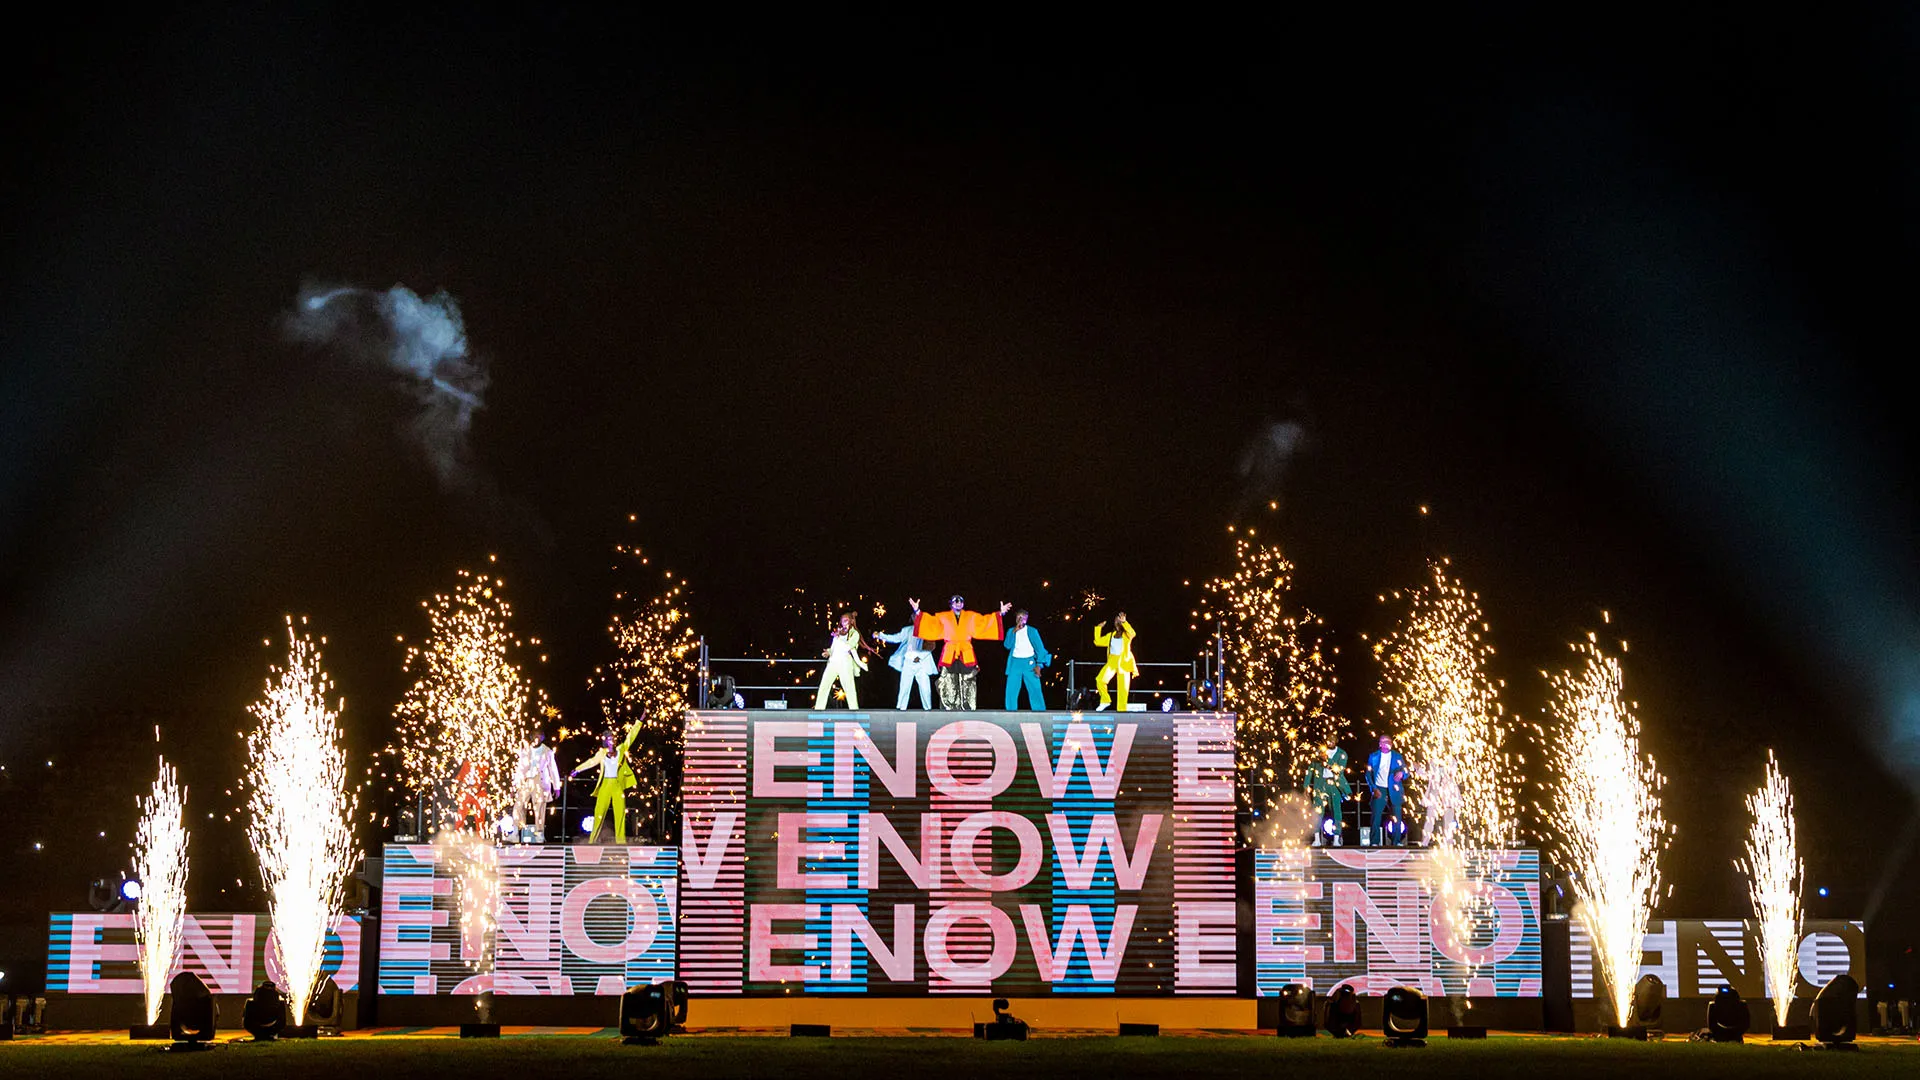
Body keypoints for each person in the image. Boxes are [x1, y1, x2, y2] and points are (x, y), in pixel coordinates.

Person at [913, 595, 1010, 710]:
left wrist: (1000, 613)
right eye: (956, 601)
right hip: (950, 652)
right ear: (951, 604)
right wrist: (917, 611)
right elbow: (931, 624)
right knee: (948, 680)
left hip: (966, 651)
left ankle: (968, 707)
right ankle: (948, 707)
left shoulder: (971, 616)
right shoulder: (943, 617)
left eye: (961, 601)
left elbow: (984, 623)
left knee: (968, 679)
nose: (959, 603)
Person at [569, 715, 644, 844]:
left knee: (620, 813)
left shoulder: (621, 749)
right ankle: (592, 840)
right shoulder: (602, 753)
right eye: (609, 738)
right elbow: (591, 762)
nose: (612, 740)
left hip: (617, 784)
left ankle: (621, 841)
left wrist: (640, 720)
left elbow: (631, 736)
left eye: (613, 738)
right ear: (606, 741)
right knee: (599, 812)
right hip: (606, 784)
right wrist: (577, 769)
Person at [511, 730, 562, 842]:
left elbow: (553, 769)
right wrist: (514, 785)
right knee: (518, 806)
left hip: (540, 781)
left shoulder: (547, 751)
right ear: (531, 736)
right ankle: (515, 832)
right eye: (535, 735)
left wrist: (556, 786)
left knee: (539, 808)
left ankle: (539, 834)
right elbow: (519, 768)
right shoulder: (525, 750)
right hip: (525, 781)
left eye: (540, 736)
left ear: (543, 738)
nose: (537, 737)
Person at [874, 618, 937, 709]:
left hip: (922, 664)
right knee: (904, 687)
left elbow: (931, 646)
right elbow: (895, 638)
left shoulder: (927, 630)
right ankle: (901, 708)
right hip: (908, 661)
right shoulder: (908, 630)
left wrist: (920, 657)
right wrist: (880, 635)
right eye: (914, 616)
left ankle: (928, 709)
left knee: (925, 688)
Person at [813, 611, 870, 709]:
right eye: (842, 621)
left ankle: (854, 709)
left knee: (849, 688)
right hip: (833, 663)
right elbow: (834, 647)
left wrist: (839, 637)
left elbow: (848, 647)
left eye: (846, 620)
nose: (844, 623)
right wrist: (828, 652)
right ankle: (819, 708)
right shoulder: (838, 632)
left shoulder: (854, 634)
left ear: (851, 621)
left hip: (845, 664)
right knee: (824, 685)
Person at [1002, 609, 1052, 710]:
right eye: (1018, 617)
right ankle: (1010, 711)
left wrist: (1039, 665)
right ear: (1016, 618)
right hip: (1015, 662)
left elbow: (1040, 649)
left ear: (1027, 619)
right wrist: (1014, 631)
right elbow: (1007, 645)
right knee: (1011, 688)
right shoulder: (1011, 631)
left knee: (1035, 688)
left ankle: (1039, 711)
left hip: (1029, 663)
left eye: (1023, 618)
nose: (1020, 620)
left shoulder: (1032, 631)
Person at [1303, 741, 1351, 846]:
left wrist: (1327, 759)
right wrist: (1306, 785)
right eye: (1329, 740)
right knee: (1317, 811)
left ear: (1336, 741)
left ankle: (1336, 839)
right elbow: (1310, 769)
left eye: (1333, 740)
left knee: (1336, 811)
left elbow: (1339, 771)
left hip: (1334, 785)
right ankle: (1316, 839)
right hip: (1320, 784)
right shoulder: (1319, 752)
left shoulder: (1342, 754)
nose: (1330, 742)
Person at [1364, 734, 1408, 847]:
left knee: (1397, 816)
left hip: (1394, 789)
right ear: (1380, 744)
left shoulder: (1397, 756)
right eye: (1383, 741)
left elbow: (1406, 770)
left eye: (1388, 741)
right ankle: (1374, 842)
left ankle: (1396, 841)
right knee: (1376, 816)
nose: (1386, 743)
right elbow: (1368, 774)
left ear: (1391, 744)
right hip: (1379, 789)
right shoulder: (1373, 756)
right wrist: (1373, 788)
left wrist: (1402, 773)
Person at [1092, 612, 1139, 711]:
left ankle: (1121, 711)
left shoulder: (1127, 635)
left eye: (1119, 619)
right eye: (1116, 619)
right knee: (1100, 680)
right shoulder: (1111, 635)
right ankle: (1105, 700)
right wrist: (1098, 628)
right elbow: (1098, 642)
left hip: (1124, 662)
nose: (1117, 621)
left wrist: (1125, 622)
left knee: (1123, 689)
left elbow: (1133, 633)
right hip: (1112, 661)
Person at [1417, 758, 1460, 848]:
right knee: (1429, 820)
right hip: (1434, 795)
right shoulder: (1433, 760)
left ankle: (1448, 844)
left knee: (1448, 822)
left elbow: (1453, 773)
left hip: (1448, 796)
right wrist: (1418, 768)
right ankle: (1424, 842)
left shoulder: (1451, 760)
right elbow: (1426, 774)